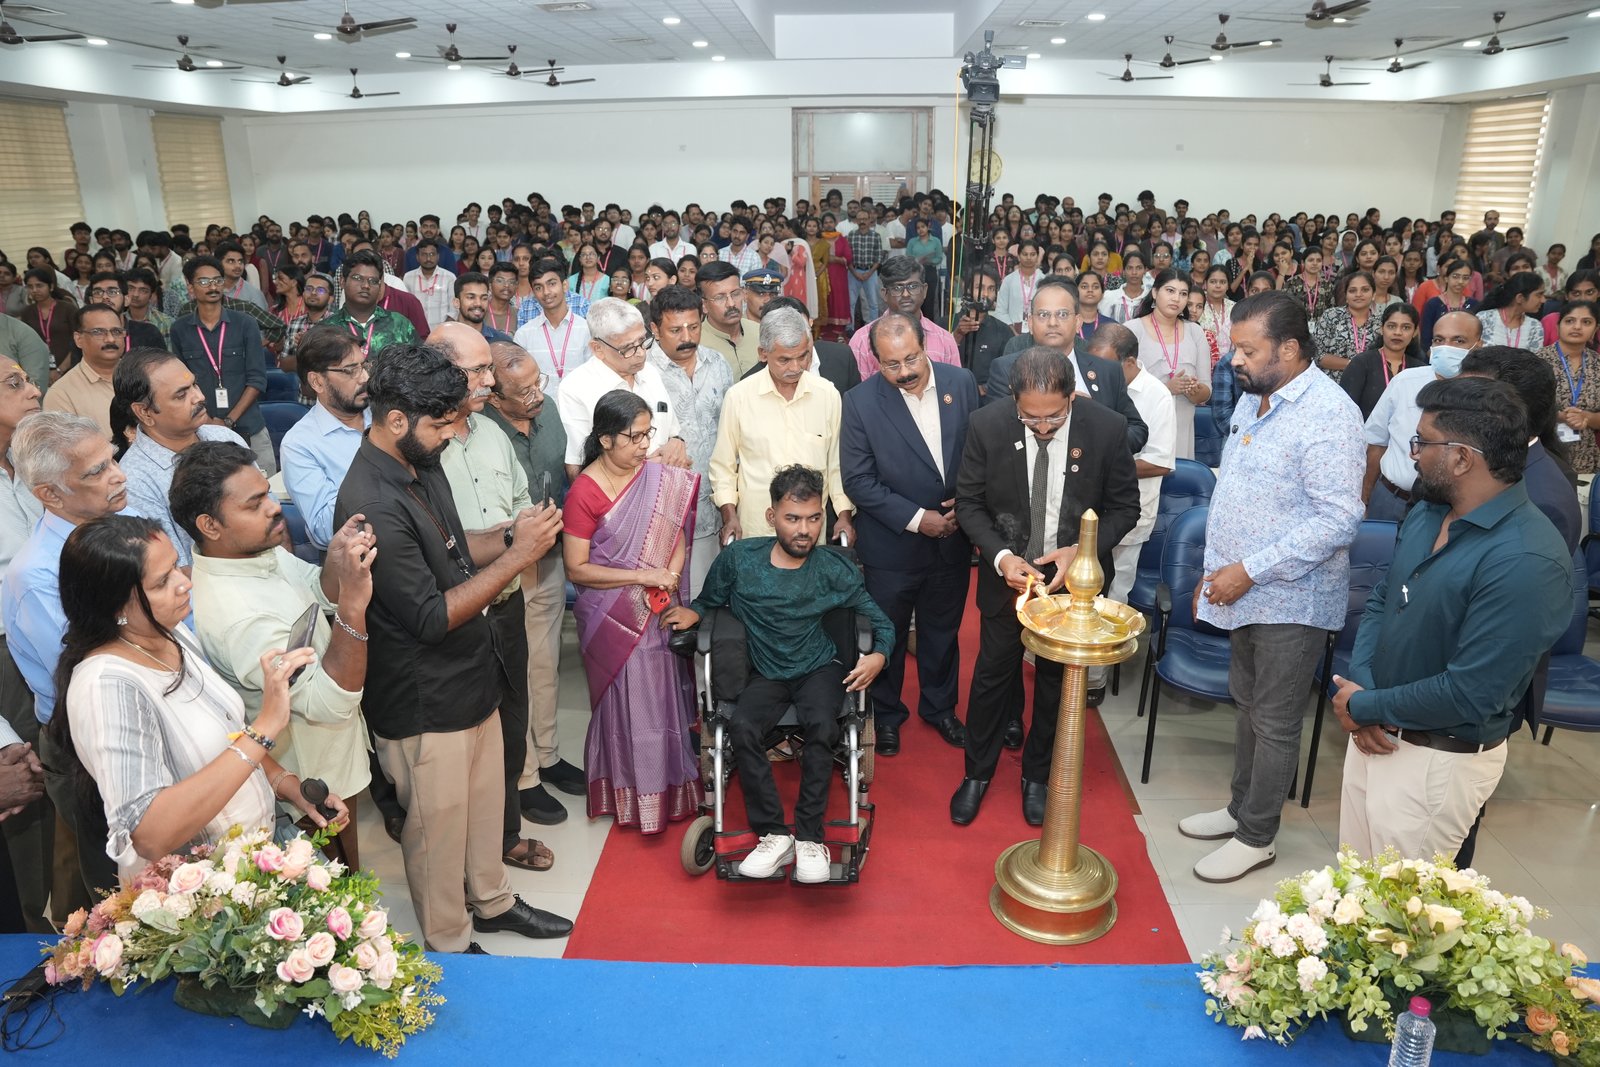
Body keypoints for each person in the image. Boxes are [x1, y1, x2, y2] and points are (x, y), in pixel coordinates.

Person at [333, 342, 570, 954]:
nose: (450, 435)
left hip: (470, 676)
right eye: (441, 424)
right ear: (394, 421)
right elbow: (429, 616)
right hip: (422, 696)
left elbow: (456, 550)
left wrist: (512, 534)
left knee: (485, 811)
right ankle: (449, 938)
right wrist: (519, 556)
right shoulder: (372, 502)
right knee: (437, 833)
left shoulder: (420, 464)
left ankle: (491, 901)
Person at [1333, 377, 1571, 861]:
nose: (1413, 454)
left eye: (1422, 442)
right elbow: (1382, 599)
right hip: (1373, 733)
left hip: (1436, 764)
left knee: (1400, 925)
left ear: (1463, 458)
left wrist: (1367, 706)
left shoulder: (1526, 558)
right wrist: (1362, 695)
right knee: (1351, 894)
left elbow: (1471, 692)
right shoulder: (1427, 512)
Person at [49, 514, 350, 882]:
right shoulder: (107, 686)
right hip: (199, 899)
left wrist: (288, 786)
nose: (183, 583)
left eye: (176, 565)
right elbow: (149, 834)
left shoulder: (169, 634)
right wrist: (266, 726)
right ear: (116, 607)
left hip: (255, 863)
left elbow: (226, 735)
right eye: (162, 582)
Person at [1179, 291, 1364, 883]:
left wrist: (1248, 571)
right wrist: (1214, 575)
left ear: (1288, 349)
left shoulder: (1328, 415)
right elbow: (1232, 493)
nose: (1235, 359)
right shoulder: (1256, 400)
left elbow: (1339, 521)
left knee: (1276, 720)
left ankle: (1257, 836)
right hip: (1237, 588)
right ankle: (1239, 809)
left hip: (1291, 596)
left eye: (1247, 349)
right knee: (1248, 708)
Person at [665, 465, 893, 882]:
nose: (804, 530)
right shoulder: (739, 560)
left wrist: (879, 655)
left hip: (818, 668)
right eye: (792, 518)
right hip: (766, 672)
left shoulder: (832, 568)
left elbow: (881, 622)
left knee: (823, 724)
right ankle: (773, 835)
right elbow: (710, 598)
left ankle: (808, 838)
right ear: (772, 517)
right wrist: (693, 612)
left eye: (813, 518)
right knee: (743, 729)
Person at [951, 348, 1140, 827]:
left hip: (1071, 587)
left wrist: (1082, 551)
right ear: (1013, 399)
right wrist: (1000, 557)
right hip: (1008, 578)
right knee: (993, 676)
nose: (1041, 428)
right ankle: (976, 772)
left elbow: (1124, 508)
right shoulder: (987, 424)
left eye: (1054, 417)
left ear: (1072, 396)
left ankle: (1037, 776)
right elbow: (970, 503)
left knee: (1056, 686)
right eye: (1029, 418)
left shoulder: (1107, 428)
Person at [176, 442, 373, 870]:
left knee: (347, 876)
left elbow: (318, 592)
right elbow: (329, 701)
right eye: (254, 504)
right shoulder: (240, 618)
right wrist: (354, 609)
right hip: (309, 779)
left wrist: (337, 562)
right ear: (210, 525)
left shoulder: (255, 554)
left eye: (267, 493)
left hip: (332, 755)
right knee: (332, 889)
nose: (272, 508)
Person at [430, 323, 569, 836]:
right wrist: (513, 539)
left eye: (491, 368)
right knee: (466, 733)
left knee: (514, 710)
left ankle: (508, 832)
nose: (488, 381)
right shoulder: (424, 443)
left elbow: (518, 506)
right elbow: (434, 538)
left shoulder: (487, 431)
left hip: (507, 596)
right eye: (479, 370)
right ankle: (480, 839)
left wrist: (523, 533)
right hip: (456, 608)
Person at [562, 390, 700, 834]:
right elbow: (577, 568)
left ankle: (673, 788)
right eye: (634, 437)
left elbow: (674, 535)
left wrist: (669, 577)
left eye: (648, 434)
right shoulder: (584, 491)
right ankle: (632, 795)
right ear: (605, 439)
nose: (645, 445)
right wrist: (643, 577)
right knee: (628, 705)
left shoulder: (657, 477)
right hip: (612, 613)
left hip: (660, 606)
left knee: (663, 698)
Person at [840, 313, 977, 756]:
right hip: (891, 544)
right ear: (875, 361)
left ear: (927, 347)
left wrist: (971, 500)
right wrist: (919, 518)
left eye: (912, 358)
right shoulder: (860, 402)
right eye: (891, 364)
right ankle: (887, 714)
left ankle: (940, 709)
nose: (905, 371)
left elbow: (979, 453)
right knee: (890, 635)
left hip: (954, 540)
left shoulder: (962, 382)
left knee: (943, 631)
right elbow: (858, 480)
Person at [482, 340, 586, 803]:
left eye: (537, 383)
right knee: (515, 672)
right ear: (493, 396)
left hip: (547, 559)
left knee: (545, 665)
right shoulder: (481, 433)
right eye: (521, 393)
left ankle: (548, 755)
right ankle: (523, 777)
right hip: (505, 568)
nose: (535, 397)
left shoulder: (551, 417)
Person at [711, 307, 854, 543]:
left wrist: (844, 516)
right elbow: (723, 467)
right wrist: (730, 517)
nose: (796, 367)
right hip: (756, 530)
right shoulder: (739, 396)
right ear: (763, 353)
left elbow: (837, 465)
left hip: (810, 534)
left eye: (803, 356)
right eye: (785, 360)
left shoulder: (827, 394)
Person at [983, 276, 1151, 456]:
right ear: (1030, 323)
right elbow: (995, 432)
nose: (1053, 322)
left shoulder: (1107, 371)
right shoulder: (1005, 369)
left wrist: (1095, 420)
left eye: (1062, 314)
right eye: (1043, 315)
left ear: (1078, 322)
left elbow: (1137, 431)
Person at [116, 348, 250, 569]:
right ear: (145, 412)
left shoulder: (225, 438)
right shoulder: (135, 482)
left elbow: (272, 515)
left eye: (194, 385)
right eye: (181, 395)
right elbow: (175, 570)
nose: (199, 397)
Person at [0, 359, 51, 930]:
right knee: (26, 792)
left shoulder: (33, 464)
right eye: (14, 384)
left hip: (62, 643)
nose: (34, 388)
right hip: (8, 662)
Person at [647, 285, 733, 595]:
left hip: (716, 504)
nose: (687, 337)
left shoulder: (717, 364)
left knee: (711, 598)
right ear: (655, 329)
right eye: (676, 329)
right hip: (666, 513)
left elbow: (730, 430)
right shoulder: (643, 372)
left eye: (694, 327)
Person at [1362, 311, 1483, 521]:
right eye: (1439, 340)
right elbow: (1376, 443)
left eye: (1459, 340)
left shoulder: (1487, 396)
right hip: (1392, 499)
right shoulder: (1404, 382)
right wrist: (1364, 498)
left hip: (1451, 510)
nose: (1447, 347)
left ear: (1478, 346)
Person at [555, 297, 688, 480]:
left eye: (643, 341)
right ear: (597, 349)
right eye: (628, 348)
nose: (641, 353)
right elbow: (577, 470)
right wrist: (647, 471)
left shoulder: (650, 373)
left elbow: (672, 432)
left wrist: (677, 443)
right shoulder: (575, 389)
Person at [168, 256, 275, 475]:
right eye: (204, 282)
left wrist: (227, 421)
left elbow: (257, 379)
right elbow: (180, 384)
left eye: (217, 280)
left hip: (249, 427)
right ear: (190, 286)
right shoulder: (180, 329)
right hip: (202, 431)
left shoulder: (245, 323)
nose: (213, 286)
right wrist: (209, 422)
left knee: (266, 489)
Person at [1095, 324, 1177, 607]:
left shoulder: (1157, 396)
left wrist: (1105, 466)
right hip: (1088, 508)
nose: (1097, 372)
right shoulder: (1092, 383)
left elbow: (1160, 462)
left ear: (1128, 362)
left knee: (1115, 591)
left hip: (1131, 509)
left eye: (1105, 366)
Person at [1127, 269, 1211, 459]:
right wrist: (1166, 388)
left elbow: (1207, 390)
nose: (1176, 298)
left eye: (1183, 294)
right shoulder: (1132, 330)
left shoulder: (1195, 333)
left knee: (1179, 483)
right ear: (1155, 293)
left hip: (1181, 428)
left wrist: (1195, 391)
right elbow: (1121, 389)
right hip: (1142, 428)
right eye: (1170, 291)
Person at [846, 255, 961, 379]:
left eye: (913, 286)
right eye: (897, 288)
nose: (906, 294)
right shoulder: (862, 341)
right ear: (885, 294)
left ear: (925, 290)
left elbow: (954, 389)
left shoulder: (945, 340)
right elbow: (859, 394)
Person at [1534, 299, 1600, 475]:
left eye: (1586, 322)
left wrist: (1587, 417)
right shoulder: (1537, 361)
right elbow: (1522, 407)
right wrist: (1557, 416)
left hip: (1585, 456)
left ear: (1595, 330)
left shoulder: (1598, 364)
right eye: (1570, 321)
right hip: (1543, 452)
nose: (1577, 327)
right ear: (1558, 326)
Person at [44, 304, 124, 438]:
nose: (110, 339)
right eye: (98, 332)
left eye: (116, 331)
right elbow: (65, 451)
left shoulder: (144, 375)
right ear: (78, 339)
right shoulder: (61, 394)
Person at [323, 250, 419, 357]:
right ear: (342, 281)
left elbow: (418, 368)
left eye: (373, 281)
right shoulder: (326, 329)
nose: (366, 285)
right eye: (358, 278)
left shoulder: (400, 325)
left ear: (380, 286)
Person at [1311, 269, 1381, 382]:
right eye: (1353, 290)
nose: (1358, 294)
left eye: (1365, 290)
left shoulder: (1381, 322)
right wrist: (1353, 365)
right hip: (1332, 385)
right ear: (1346, 296)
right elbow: (1317, 355)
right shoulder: (1331, 316)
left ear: (1373, 294)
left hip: (1370, 384)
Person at [696, 261, 763, 378]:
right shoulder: (697, 344)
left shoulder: (760, 332)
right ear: (704, 305)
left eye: (736, 294)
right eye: (720, 298)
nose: (731, 304)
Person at [1476, 274, 1546, 352]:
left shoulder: (1535, 327)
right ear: (1520, 298)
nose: (1543, 300)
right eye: (1539, 295)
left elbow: (1535, 361)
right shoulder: (1484, 319)